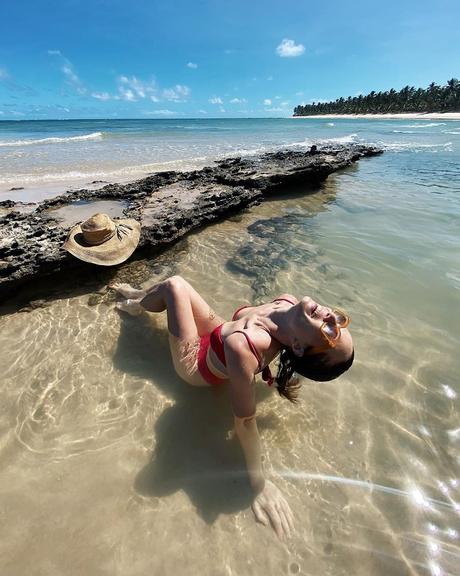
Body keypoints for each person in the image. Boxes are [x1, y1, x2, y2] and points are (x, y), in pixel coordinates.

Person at [111, 276, 354, 539]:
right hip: (218, 334)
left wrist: (258, 485)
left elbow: (245, 423)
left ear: (297, 346)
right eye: (340, 320)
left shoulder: (245, 346)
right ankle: (138, 297)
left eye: (331, 333)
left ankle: (134, 306)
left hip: (196, 364)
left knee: (174, 287)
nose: (331, 318)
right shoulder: (286, 302)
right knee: (175, 284)